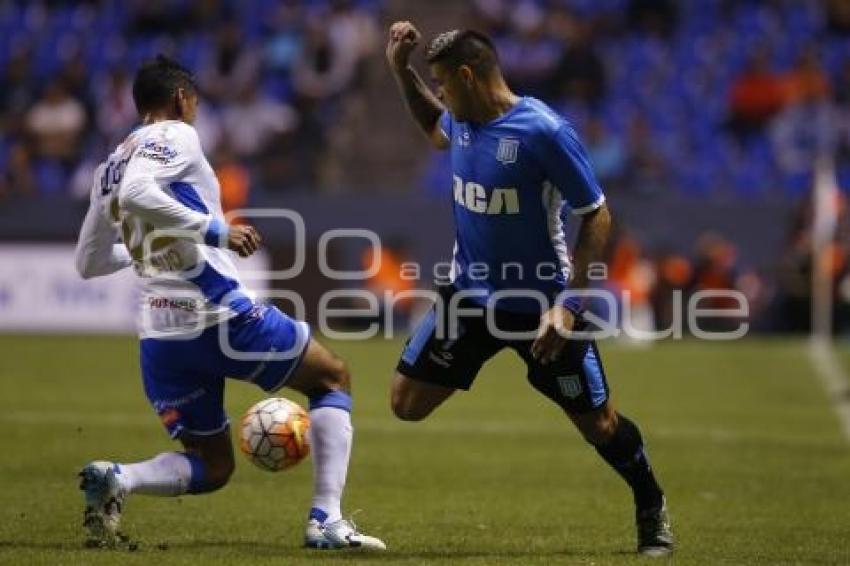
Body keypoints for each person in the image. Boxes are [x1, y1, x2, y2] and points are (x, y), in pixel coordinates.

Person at [74, 55, 385, 551]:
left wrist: (145, 254)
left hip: (161, 337)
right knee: (332, 377)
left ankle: (120, 478)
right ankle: (325, 520)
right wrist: (216, 230)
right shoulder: (176, 134)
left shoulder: (109, 166)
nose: (197, 107)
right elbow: (138, 194)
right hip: (218, 316)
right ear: (180, 97)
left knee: (213, 465)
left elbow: (88, 262)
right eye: (194, 97)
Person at [386, 24, 673, 556]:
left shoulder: (544, 132)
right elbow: (432, 125)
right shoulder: (465, 121)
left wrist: (569, 306)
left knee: (600, 426)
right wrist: (400, 70)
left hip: (542, 306)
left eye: (444, 84)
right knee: (405, 404)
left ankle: (650, 501)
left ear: (468, 77)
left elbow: (596, 215)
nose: (442, 95)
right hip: (468, 297)